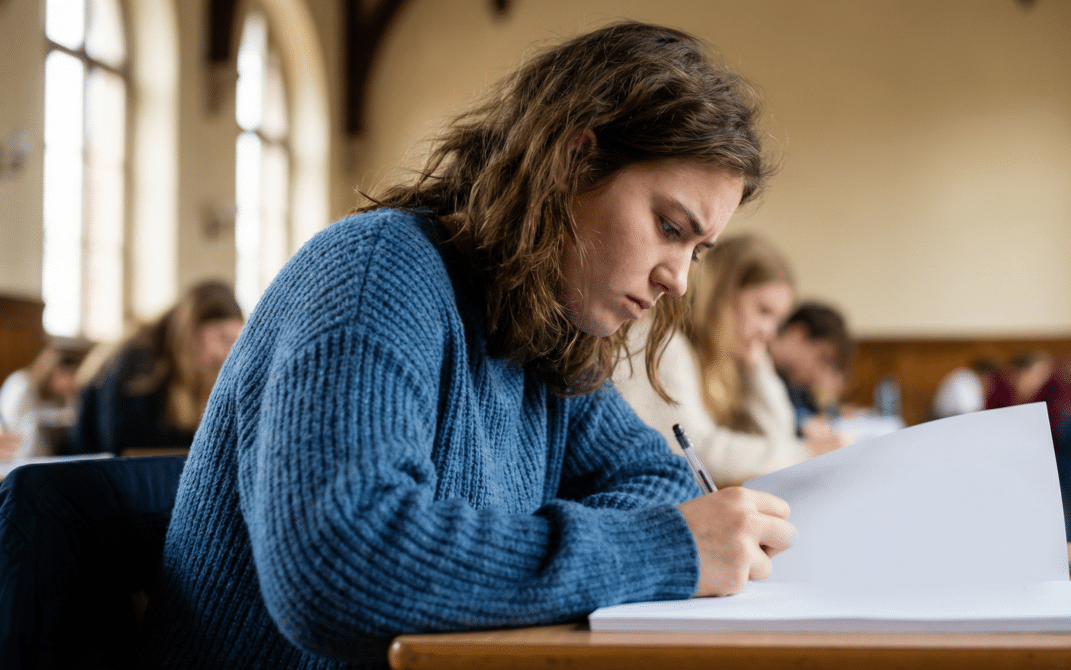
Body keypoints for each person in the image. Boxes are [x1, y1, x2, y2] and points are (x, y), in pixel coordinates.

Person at [141, 23, 798, 668]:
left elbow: (656, 478)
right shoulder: (377, 273)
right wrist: (659, 552)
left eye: (698, 251)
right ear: (573, 161)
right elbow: (343, 567)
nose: (678, 281)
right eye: (667, 226)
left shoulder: (545, 329)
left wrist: (498, 562)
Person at [614, 235, 840, 489]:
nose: (770, 332)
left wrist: (757, 365)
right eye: (763, 311)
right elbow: (698, 453)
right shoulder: (662, 340)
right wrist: (806, 453)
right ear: (720, 293)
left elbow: (778, 436)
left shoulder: (720, 358)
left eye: (776, 320)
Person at [70, 280, 243, 456]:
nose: (225, 354)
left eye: (233, 342)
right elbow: (128, 445)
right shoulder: (139, 358)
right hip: (91, 473)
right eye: (222, 338)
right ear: (190, 328)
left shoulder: (189, 368)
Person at [769, 302, 853, 434]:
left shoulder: (791, 382)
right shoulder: (752, 365)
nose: (820, 375)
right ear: (798, 335)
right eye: (822, 359)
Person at [0, 340, 90, 461]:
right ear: (51, 371)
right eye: (66, 375)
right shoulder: (23, 384)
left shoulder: (47, 393)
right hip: (16, 454)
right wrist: (61, 417)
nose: (69, 383)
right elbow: (18, 426)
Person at [930, 357, 999, 420]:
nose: (990, 388)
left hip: (951, 418)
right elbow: (970, 412)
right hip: (945, 421)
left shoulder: (965, 376)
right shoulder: (966, 380)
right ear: (987, 377)